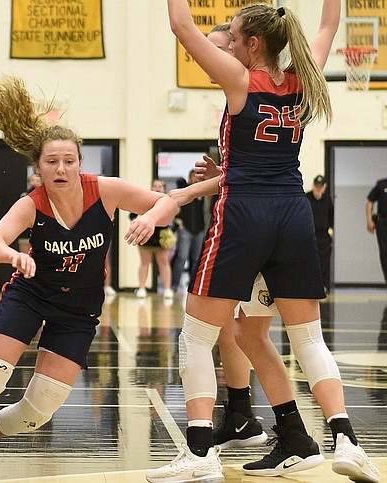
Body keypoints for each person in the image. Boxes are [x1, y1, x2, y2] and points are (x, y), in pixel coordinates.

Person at [149, 2, 379, 482]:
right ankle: (345, 441)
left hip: (245, 212)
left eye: (234, 38)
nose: (229, 46)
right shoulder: (303, 78)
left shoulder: (240, 79)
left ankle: (197, 453)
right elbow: (329, 24)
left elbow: (180, 24)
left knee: (196, 333)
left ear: (253, 44)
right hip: (291, 212)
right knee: (306, 338)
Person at [0, 75, 178, 476]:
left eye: (69, 160)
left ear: (80, 163)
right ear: (38, 168)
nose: (61, 167)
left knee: (39, 410)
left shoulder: (104, 190)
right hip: (32, 294)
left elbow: (167, 201)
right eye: (52, 161)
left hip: (79, 307)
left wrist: (151, 218)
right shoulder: (32, 203)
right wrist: (14, 258)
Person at [131, 179, 175, 299]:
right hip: (146, 235)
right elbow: (132, 215)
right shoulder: (145, 201)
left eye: (160, 186)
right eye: (155, 186)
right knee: (145, 262)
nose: (157, 188)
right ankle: (141, 288)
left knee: (164, 263)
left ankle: (167, 289)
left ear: (164, 188)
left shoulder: (168, 202)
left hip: (162, 237)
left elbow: (174, 217)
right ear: (151, 188)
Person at [171, 169, 205, 292]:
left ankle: (193, 284)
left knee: (196, 258)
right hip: (185, 229)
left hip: (199, 229)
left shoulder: (203, 192)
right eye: (193, 176)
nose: (195, 178)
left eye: (197, 177)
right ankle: (174, 284)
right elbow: (179, 182)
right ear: (190, 177)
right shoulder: (185, 190)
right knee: (182, 256)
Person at [308, 174, 333, 292]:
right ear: (313, 186)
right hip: (309, 236)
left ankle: (323, 286)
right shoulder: (306, 198)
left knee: (324, 262)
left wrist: (331, 228)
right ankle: (309, 286)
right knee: (309, 261)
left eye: (320, 186)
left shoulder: (327, 199)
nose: (318, 189)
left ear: (324, 187)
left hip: (323, 236)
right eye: (316, 186)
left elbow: (331, 215)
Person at [366, 177, 387, 285]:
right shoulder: (382, 184)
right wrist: (369, 220)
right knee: (384, 253)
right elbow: (370, 201)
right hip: (383, 223)